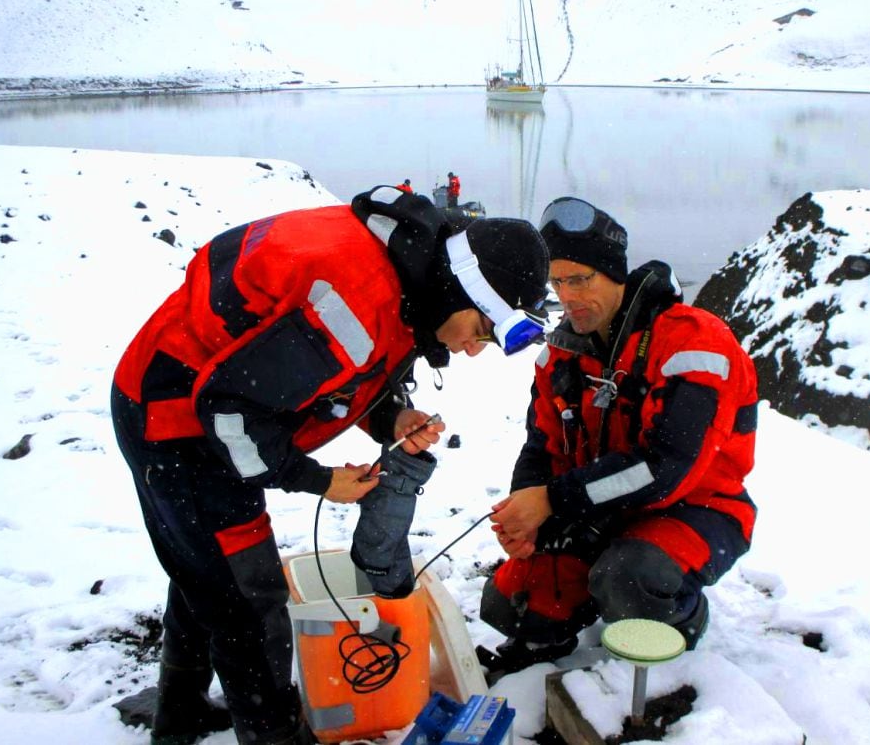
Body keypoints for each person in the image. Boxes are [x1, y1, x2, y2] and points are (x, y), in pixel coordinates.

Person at [111, 185, 549, 745]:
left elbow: (337, 372)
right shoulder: (357, 299)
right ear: (459, 288)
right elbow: (232, 414)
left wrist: (387, 415)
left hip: (205, 397)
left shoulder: (412, 270)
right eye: (481, 332)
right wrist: (319, 481)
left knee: (206, 567)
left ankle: (180, 712)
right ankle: (271, 732)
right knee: (248, 601)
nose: (470, 351)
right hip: (176, 422)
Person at [477, 196, 758, 676]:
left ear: (615, 275)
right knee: (510, 601)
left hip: (700, 510)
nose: (567, 296)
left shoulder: (693, 342)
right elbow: (540, 447)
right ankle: (588, 598)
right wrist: (525, 509)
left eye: (580, 279)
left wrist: (554, 501)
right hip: (602, 511)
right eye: (557, 282)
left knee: (629, 578)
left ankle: (683, 623)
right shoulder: (558, 357)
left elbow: (665, 469)